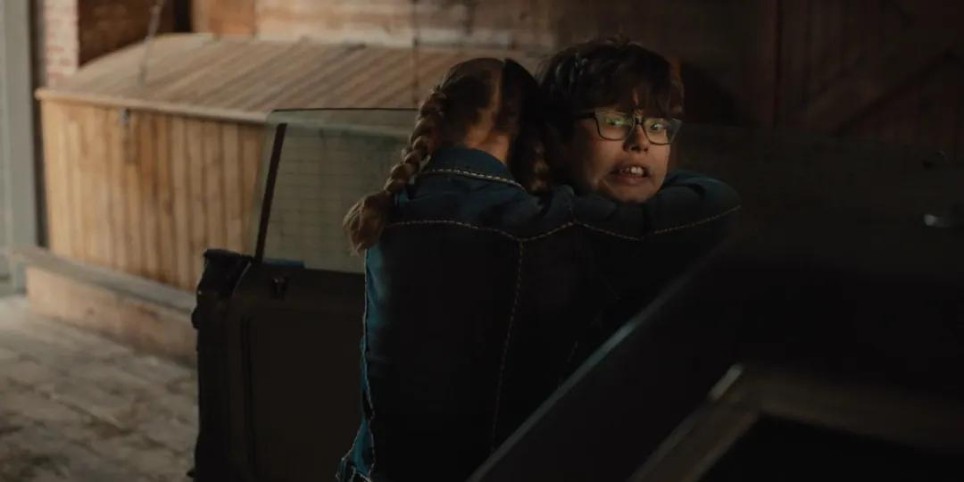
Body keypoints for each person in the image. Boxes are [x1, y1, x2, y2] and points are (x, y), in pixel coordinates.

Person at [338, 47, 739, 482]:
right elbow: (714, 203)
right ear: (550, 139)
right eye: (614, 121)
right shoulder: (551, 227)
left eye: (659, 126)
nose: (641, 140)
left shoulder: (395, 212)